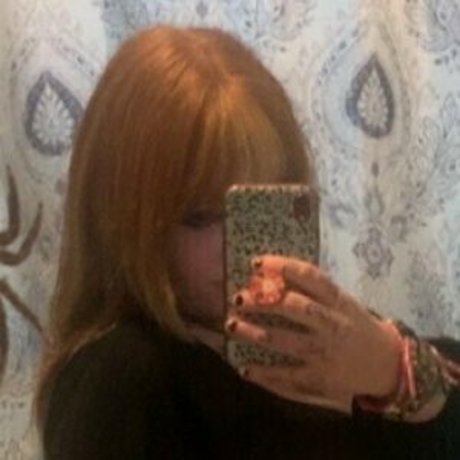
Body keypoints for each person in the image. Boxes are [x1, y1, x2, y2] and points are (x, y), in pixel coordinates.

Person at [36, 25, 460, 459]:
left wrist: (394, 372)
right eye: (199, 217)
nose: (238, 244)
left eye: (261, 205)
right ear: (124, 217)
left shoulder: (325, 343)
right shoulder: (121, 377)